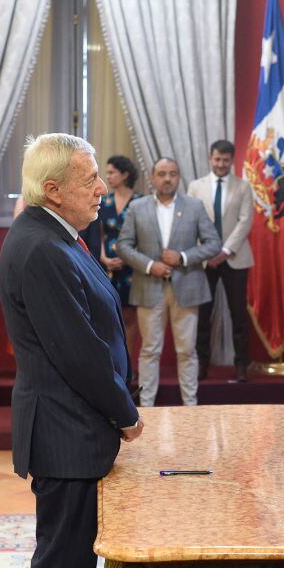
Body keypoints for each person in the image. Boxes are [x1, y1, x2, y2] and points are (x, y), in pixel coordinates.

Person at [0, 133, 142, 568]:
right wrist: (124, 412)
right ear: (53, 189)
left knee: (72, 563)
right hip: (65, 431)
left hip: (71, 427)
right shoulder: (43, 247)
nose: (102, 187)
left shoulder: (56, 235)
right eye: (90, 179)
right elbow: (79, 352)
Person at [116, 157, 221, 407]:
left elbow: (214, 243)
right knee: (150, 350)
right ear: (152, 178)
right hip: (148, 287)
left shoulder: (194, 206)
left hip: (188, 286)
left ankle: (190, 406)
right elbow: (123, 245)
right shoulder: (137, 207)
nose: (167, 178)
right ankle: (147, 407)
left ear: (179, 178)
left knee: (187, 351)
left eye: (173, 174)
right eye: (162, 174)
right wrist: (150, 266)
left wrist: (182, 257)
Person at [187, 139, 254, 382]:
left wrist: (225, 251)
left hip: (235, 258)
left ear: (231, 161)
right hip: (204, 260)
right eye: (217, 159)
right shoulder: (195, 187)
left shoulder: (243, 187)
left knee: (238, 314)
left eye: (226, 160)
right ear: (210, 158)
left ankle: (241, 365)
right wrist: (208, 253)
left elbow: (245, 221)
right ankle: (201, 364)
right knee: (203, 314)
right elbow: (190, 222)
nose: (221, 164)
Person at [98, 154, 142, 365]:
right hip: (106, 267)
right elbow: (99, 234)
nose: (108, 177)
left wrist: (129, 258)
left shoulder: (141, 201)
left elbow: (146, 236)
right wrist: (104, 258)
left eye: (112, 172)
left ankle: (129, 364)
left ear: (125, 174)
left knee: (129, 316)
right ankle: (111, 364)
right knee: (107, 316)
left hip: (133, 267)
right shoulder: (103, 201)